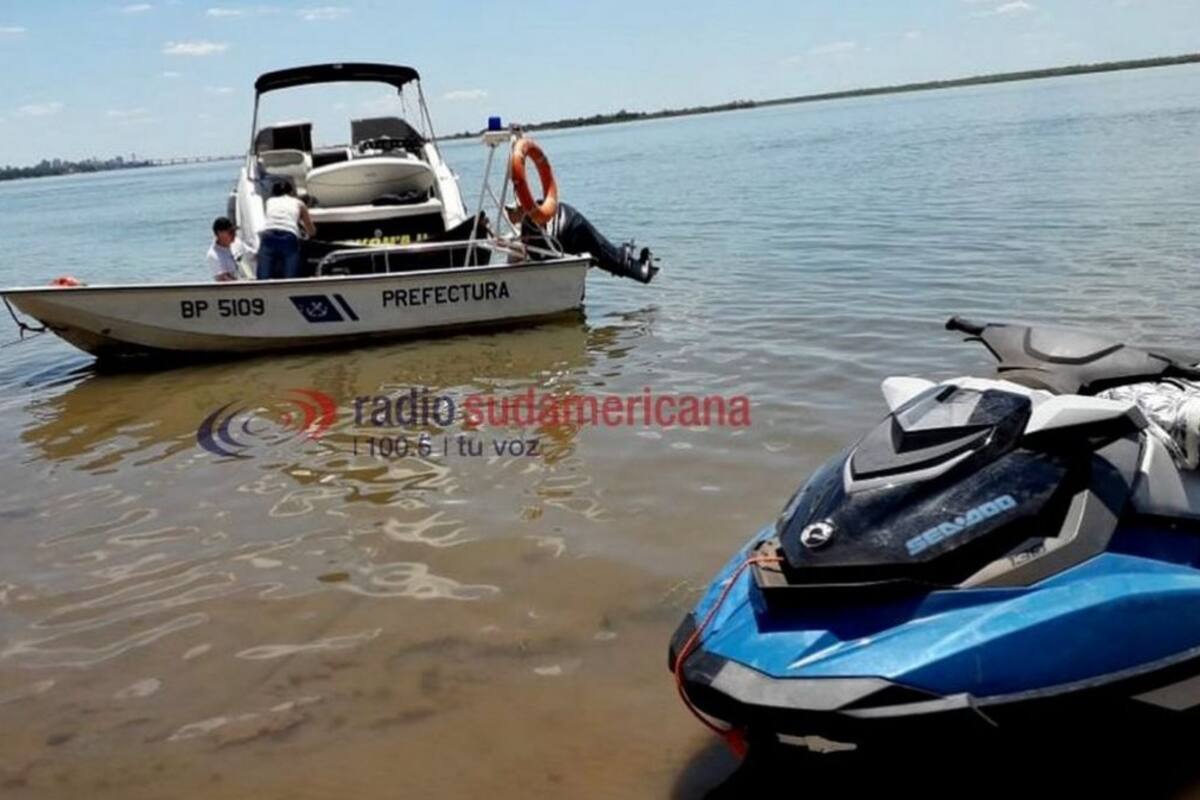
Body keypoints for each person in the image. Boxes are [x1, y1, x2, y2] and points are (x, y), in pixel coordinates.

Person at [505, 201, 658, 284]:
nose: (509, 213)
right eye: (508, 210)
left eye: (512, 210)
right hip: (566, 239)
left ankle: (641, 271)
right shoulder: (519, 231)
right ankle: (635, 264)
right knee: (603, 255)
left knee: (605, 254)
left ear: (522, 209)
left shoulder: (533, 220)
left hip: (571, 226)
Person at [257, 180, 316, 280]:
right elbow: (310, 230)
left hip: (268, 235)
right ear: (292, 192)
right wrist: (309, 234)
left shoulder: (269, 201)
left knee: (263, 277)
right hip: (288, 236)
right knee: (290, 278)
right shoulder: (299, 203)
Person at [206, 216, 246, 282]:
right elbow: (223, 279)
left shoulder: (236, 244)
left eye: (234, 232)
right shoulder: (213, 254)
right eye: (231, 232)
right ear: (220, 233)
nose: (234, 235)